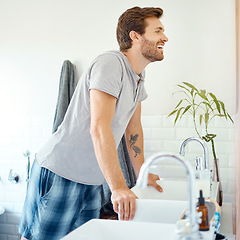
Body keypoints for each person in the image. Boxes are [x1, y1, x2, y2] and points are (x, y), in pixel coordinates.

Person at [19, 6, 168, 240]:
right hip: (61, 171)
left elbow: (133, 130)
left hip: (92, 180)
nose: (165, 37)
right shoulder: (111, 63)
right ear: (135, 36)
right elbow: (100, 127)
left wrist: (141, 172)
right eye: (158, 31)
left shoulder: (138, 77)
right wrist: (119, 188)